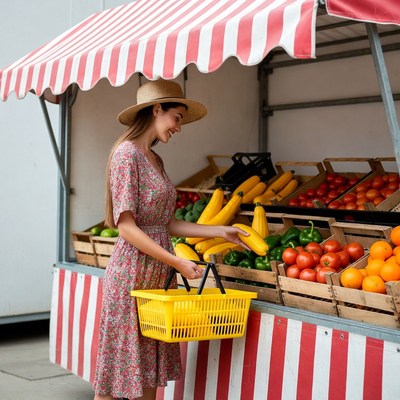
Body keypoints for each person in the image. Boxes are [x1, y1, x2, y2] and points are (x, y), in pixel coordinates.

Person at [93, 79, 248, 400]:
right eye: (177, 117)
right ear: (156, 109)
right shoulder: (126, 155)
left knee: (149, 371)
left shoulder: (155, 159)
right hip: (131, 276)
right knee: (115, 377)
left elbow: (168, 223)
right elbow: (126, 227)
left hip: (157, 278)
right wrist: (176, 261)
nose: (179, 127)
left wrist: (221, 231)